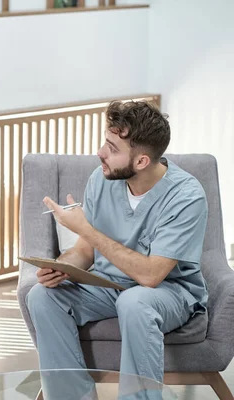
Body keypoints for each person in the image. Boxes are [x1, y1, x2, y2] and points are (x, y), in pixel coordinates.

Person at [26, 100, 208, 398]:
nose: (100, 153)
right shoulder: (102, 177)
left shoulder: (186, 196)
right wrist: (61, 267)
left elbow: (151, 277)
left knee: (135, 302)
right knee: (43, 296)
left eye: (112, 148)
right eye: (105, 142)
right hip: (109, 286)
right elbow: (85, 251)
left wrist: (84, 227)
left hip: (169, 292)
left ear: (141, 162)